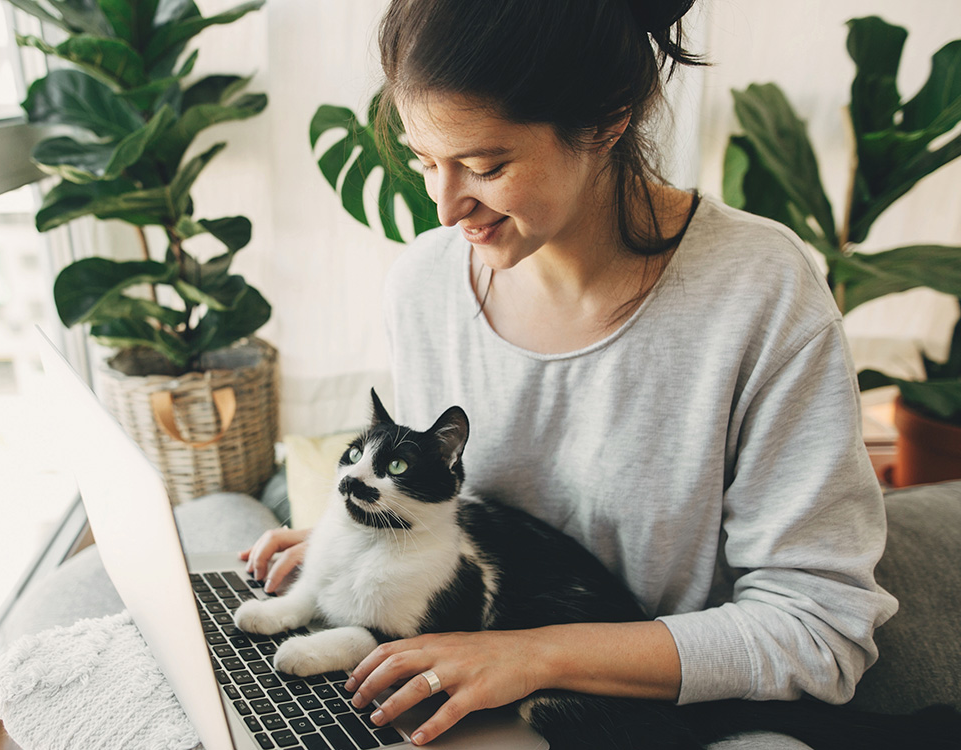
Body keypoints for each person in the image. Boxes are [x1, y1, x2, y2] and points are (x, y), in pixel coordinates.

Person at [243, 0, 899, 746]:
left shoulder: (758, 292)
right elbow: (460, 505)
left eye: (486, 166)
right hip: (473, 685)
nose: (446, 204)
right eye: (425, 161)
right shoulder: (424, 285)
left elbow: (820, 630)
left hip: (647, 717)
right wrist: (389, 534)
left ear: (608, 119)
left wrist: (529, 657)